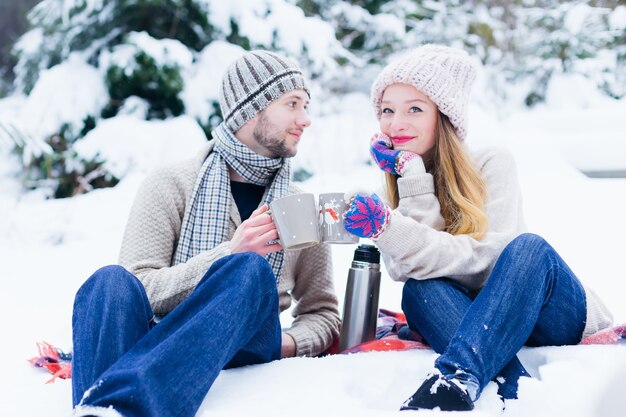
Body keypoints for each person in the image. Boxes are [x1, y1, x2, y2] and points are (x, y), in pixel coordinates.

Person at [343, 44, 613, 411]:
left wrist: (393, 228)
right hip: (480, 323)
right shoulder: (394, 188)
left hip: (546, 311)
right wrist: (411, 176)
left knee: (527, 248)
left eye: (415, 109)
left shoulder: (491, 162)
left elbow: (492, 263)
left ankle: (455, 376)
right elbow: (407, 268)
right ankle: (507, 381)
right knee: (420, 289)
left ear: (445, 116)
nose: (396, 124)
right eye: (387, 110)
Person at [71, 50, 340, 417]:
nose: (305, 119)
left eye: (305, 105)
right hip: (162, 326)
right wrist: (226, 254)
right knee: (108, 282)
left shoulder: (298, 206)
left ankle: (125, 407)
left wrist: (288, 344)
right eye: (292, 104)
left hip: (247, 340)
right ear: (249, 110)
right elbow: (138, 290)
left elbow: (322, 313)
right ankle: (100, 411)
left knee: (248, 271)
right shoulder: (171, 183)